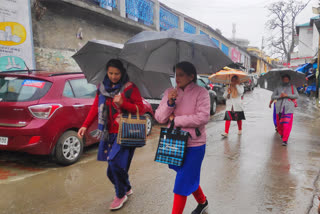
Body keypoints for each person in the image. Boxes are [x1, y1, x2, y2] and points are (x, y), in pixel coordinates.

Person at [77, 59, 144, 210]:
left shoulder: (130, 88)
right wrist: (85, 125)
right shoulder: (102, 88)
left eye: (117, 73)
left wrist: (123, 104)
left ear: (122, 73)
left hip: (126, 132)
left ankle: (120, 195)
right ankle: (126, 187)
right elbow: (95, 107)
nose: (114, 76)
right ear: (106, 72)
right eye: (111, 73)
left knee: (113, 164)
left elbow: (141, 109)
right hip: (108, 133)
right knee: (115, 168)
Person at [155, 61, 210, 214]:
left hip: (195, 144)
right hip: (174, 141)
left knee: (182, 182)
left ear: (191, 76)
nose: (176, 78)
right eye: (175, 74)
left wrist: (177, 120)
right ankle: (203, 202)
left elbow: (203, 117)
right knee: (186, 177)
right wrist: (170, 102)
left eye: (180, 75)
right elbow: (159, 117)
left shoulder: (202, 92)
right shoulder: (170, 92)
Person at [271, 74, 299, 146]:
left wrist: (287, 95)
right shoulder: (278, 87)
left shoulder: (293, 87)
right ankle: (282, 134)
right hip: (279, 108)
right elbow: (273, 96)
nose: (285, 81)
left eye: (287, 79)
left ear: (289, 80)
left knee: (287, 124)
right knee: (280, 124)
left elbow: (296, 96)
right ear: (282, 79)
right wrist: (279, 96)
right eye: (284, 79)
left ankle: (285, 140)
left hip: (288, 108)